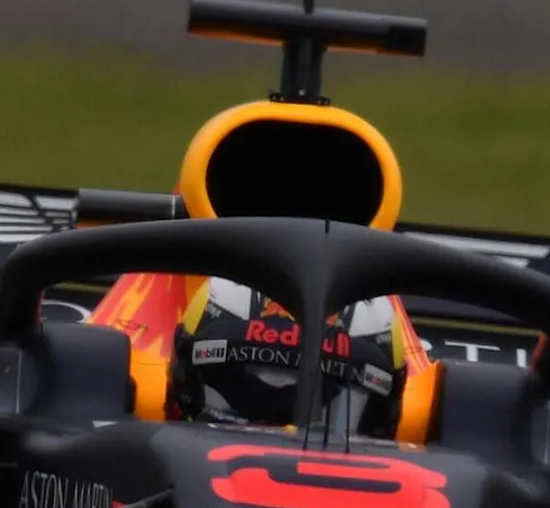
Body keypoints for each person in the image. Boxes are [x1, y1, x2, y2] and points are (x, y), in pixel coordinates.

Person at [83, 101, 444, 440]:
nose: (284, 434)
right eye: (245, 398)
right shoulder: (110, 373)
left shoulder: (409, 393)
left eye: (326, 401)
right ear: (181, 382)